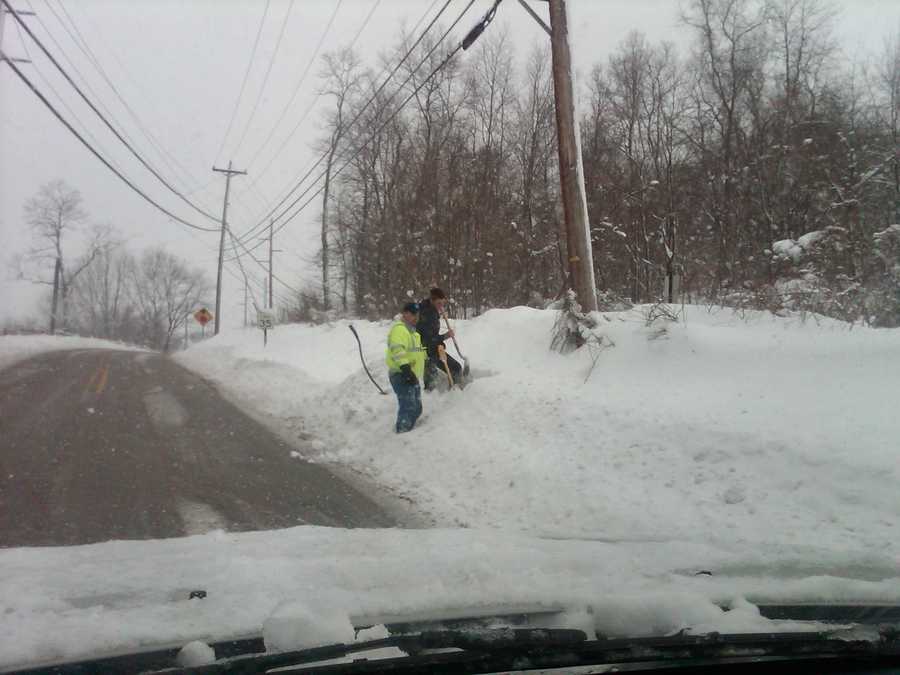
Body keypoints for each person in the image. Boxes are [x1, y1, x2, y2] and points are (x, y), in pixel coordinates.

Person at [385, 302, 426, 433]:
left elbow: (418, 352)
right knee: (408, 406)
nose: (416, 318)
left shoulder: (414, 334)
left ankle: (409, 430)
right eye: (413, 314)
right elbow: (398, 350)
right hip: (401, 374)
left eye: (417, 315)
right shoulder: (400, 330)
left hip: (412, 376)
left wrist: (427, 359)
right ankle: (402, 434)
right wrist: (406, 370)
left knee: (417, 407)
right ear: (405, 314)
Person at [416, 287, 462, 390]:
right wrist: (446, 336)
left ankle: (430, 392)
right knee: (456, 368)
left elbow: (431, 334)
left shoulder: (426, 307)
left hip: (425, 348)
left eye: (443, 303)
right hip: (427, 349)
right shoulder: (428, 314)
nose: (441, 306)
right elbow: (430, 338)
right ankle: (458, 394)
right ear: (432, 300)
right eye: (439, 303)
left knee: (431, 381)